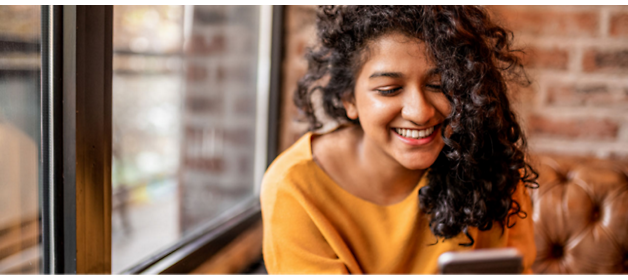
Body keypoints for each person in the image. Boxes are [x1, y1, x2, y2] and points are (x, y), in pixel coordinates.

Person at [260, 6, 539, 275]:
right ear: (349, 98)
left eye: (439, 85)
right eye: (389, 90)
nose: (419, 113)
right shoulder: (295, 188)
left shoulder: (491, 165)